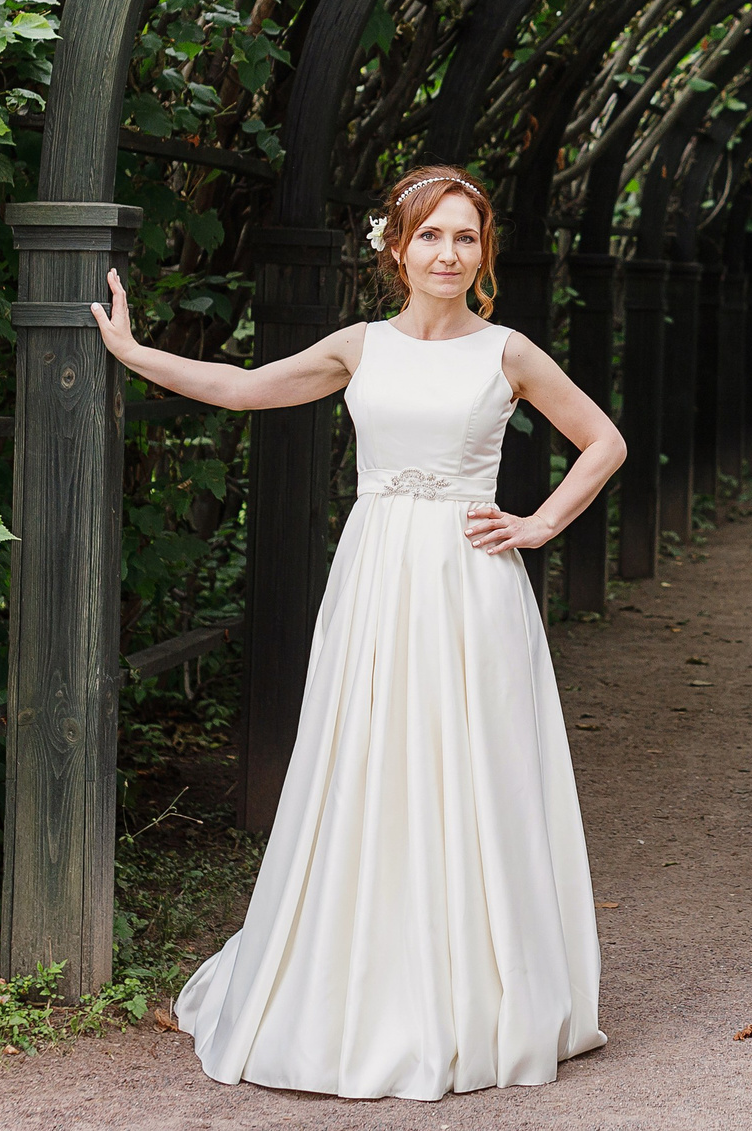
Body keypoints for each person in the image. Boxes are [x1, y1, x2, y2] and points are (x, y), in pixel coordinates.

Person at [90, 164, 625, 1101]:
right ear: (397, 248)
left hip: (471, 580)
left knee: (473, 768)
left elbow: (604, 441)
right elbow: (248, 387)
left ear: (482, 252)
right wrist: (136, 354)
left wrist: (537, 524)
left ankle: (481, 990)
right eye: (430, 236)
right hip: (378, 575)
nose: (448, 253)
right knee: (373, 761)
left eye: (466, 237)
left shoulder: (508, 351)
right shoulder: (360, 345)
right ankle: (367, 978)